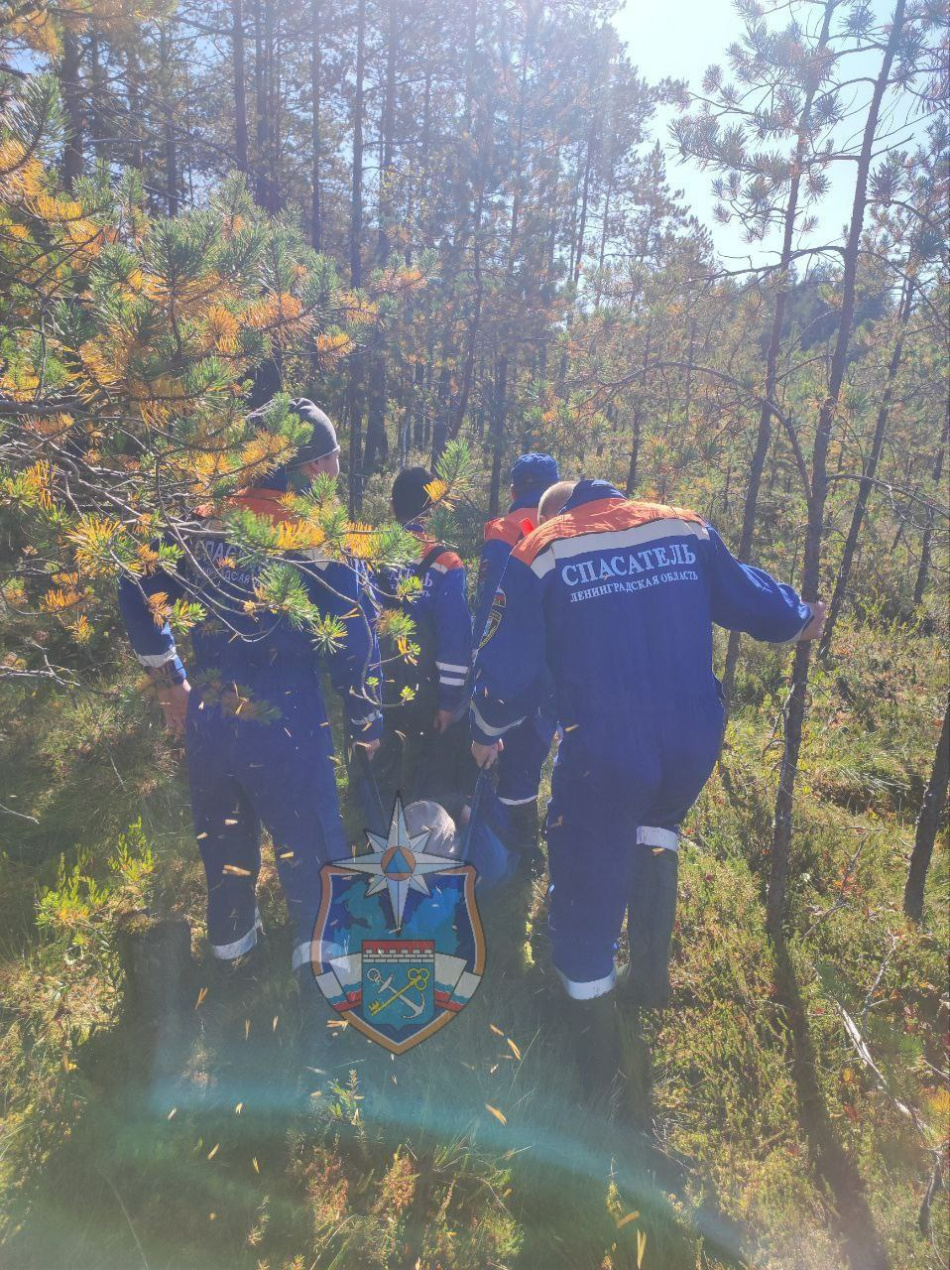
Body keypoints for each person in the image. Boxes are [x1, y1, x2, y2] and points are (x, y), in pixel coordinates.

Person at [470, 477, 826, 1088]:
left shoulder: (544, 550)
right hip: (692, 736)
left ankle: (594, 1052)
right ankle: (650, 980)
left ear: (558, 513)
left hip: (608, 747)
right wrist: (799, 618)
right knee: (656, 825)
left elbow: (512, 666)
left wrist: (485, 724)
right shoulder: (682, 526)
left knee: (587, 869)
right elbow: (747, 595)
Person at [118, 397, 382, 983]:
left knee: (224, 846)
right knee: (310, 846)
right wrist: (367, 723)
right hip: (286, 721)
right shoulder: (318, 535)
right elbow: (355, 640)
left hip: (210, 715)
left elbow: (133, 584)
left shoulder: (200, 520)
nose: (337, 476)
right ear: (311, 466)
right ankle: (323, 982)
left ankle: (232, 961)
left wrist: (172, 684)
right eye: (335, 462)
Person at [369, 466, 474, 817]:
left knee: (376, 761)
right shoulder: (446, 563)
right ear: (434, 509)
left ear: (391, 505)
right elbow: (454, 640)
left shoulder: (368, 553)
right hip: (423, 688)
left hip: (374, 681)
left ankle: (372, 822)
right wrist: (449, 702)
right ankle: (417, 829)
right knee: (421, 766)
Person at [472, 454, 561, 845]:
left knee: (512, 759)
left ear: (513, 490)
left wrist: (481, 665)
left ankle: (512, 848)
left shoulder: (505, 532)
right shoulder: (565, 528)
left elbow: (491, 607)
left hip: (515, 665)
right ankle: (532, 841)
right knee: (538, 751)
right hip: (559, 664)